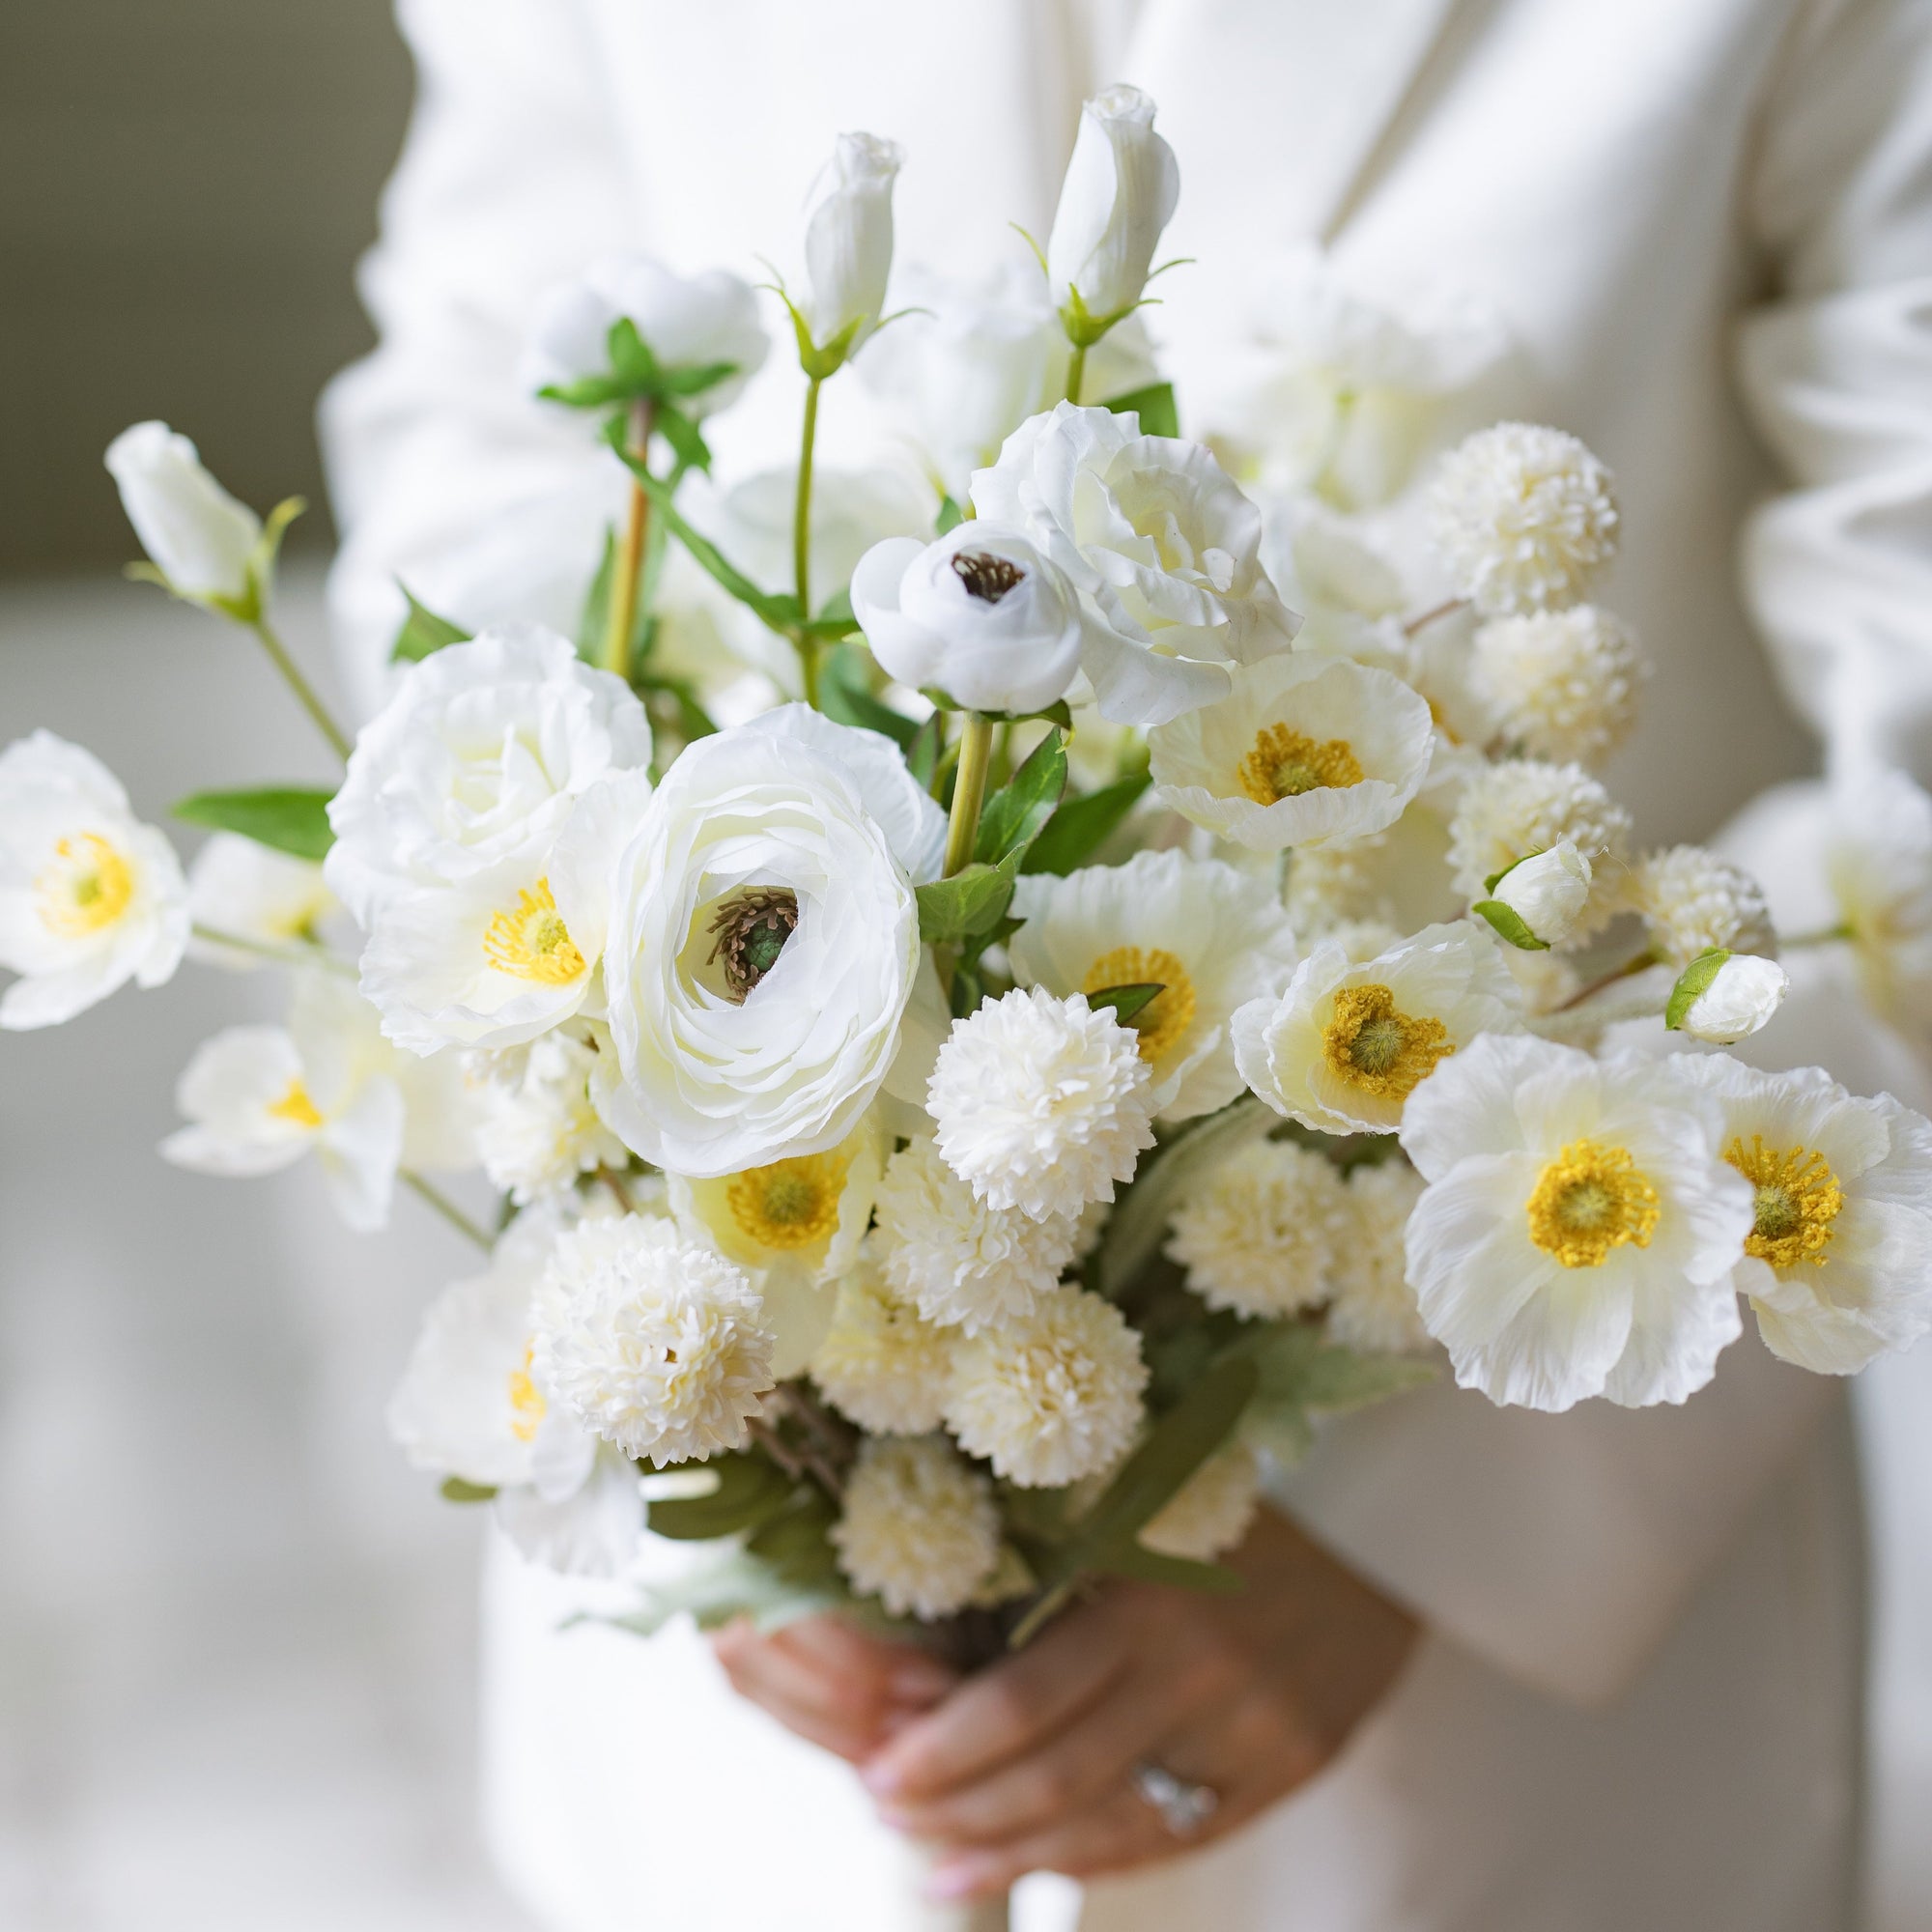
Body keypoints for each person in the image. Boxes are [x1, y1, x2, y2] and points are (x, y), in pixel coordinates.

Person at [321, 2, 1932, 1926]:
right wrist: (718, 1411)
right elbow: (484, 459)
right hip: (759, 1693)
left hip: (1502, 1620)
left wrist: (1448, 1541)